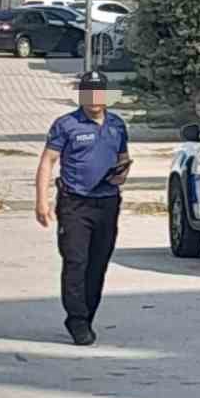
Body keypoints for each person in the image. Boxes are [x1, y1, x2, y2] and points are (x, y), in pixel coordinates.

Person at [35, 69, 131, 346]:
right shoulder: (66, 125)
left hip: (108, 202)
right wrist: (41, 201)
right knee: (76, 261)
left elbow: (123, 157)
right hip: (75, 203)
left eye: (99, 91)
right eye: (88, 91)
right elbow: (47, 161)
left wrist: (121, 173)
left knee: (98, 263)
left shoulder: (117, 125)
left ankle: (88, 314)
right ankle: (76, 319)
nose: (94, 97)